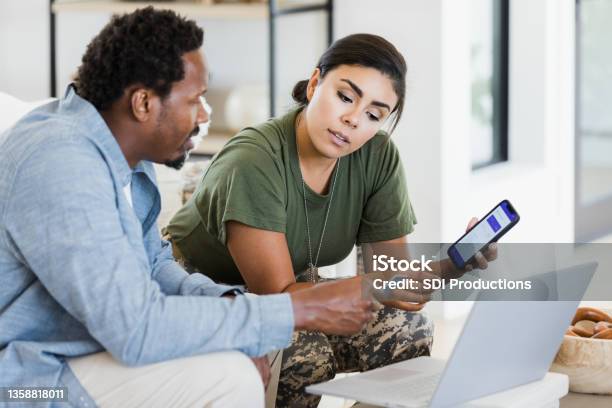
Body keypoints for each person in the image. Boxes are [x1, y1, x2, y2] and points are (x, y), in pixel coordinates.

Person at [0, 8, 377, 408]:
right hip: (26, 382)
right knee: (226, 376)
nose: (202, 116)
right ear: (144, 103)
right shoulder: (62, 164)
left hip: (76, 352)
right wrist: (291, 311)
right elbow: (136, 329)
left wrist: (235, 308)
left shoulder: (119, 154)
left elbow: (154, 266)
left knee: (239, 345)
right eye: (195, 99)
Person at [165, 33, 496, 407]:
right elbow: (278, 299)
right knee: (302, 352)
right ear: (314, 84)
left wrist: (452, 265)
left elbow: (392, 278)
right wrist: (373, 285)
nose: (353, 120)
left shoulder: (377, 157)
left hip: (293, 289)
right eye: (345, 96)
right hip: (203, 296)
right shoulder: (254, 162)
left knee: (408, 331)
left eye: (374, 114)